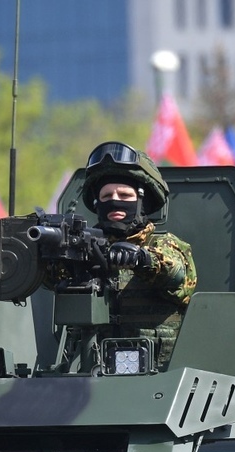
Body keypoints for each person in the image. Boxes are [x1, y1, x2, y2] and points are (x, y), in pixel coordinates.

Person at [75, 141, 197, 368]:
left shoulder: (167, 245)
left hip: (158, 375)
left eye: (124, 194)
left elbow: (175, 273)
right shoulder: (83, 251)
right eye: (106, 195)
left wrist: (141, 259)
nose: (115, 200)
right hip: (90, 374)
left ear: (143, 201)